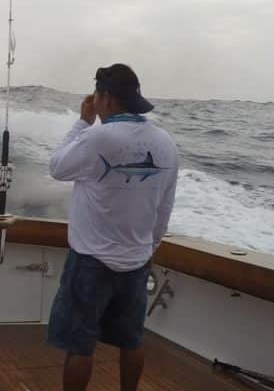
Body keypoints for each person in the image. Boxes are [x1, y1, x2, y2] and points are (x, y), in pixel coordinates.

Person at [47, 64, 179, 391]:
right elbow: (165, 208)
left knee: (80, 345)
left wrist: (82, 121)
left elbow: (57, 167)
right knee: (132, 341)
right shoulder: (166, 143)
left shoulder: (97, 137)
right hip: (137, 260)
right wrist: (150, 249)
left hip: (91, 260)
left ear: (105, 98)